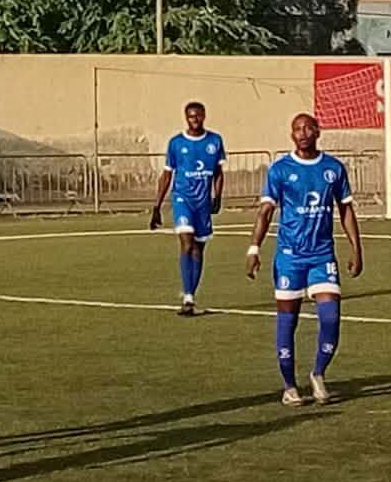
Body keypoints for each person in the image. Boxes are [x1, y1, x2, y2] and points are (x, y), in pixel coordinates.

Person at [246, 114, 363, 406]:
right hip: (289, 257)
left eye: (309, 128)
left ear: (318, 132)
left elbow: (346, 210)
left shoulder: (333, 168)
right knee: (288, 321)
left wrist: (356, 249)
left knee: (331, 318)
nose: (303, 133)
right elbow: (265, 212)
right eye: (298, 129)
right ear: (291, 135)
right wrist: (254, 249)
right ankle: (289, 387)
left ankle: (318, 374)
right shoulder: (280, 170)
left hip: (322, 255)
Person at [150, 102, 226, 316]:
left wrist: (217, 196)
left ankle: (191, 295)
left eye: (198, 116)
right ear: (186, 117)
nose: (195, 119)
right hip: (182, 198)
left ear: (204, 116)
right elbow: (167, 175)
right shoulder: (176, 143)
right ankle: (187, 296)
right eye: (191, 116)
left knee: (198, 249)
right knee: (186, 242)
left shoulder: (214, 141)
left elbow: (218, 173)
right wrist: (157, 206)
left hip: (203, 203)